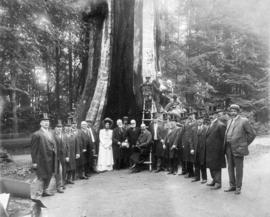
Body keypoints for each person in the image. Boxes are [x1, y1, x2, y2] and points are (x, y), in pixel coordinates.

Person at [224, 104, 256, 195]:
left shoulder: (244, 121)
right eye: (231, 111)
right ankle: (232, 185)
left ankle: (238, 187)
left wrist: (244, 145)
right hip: (228, 148)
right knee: (230, 168)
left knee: (238, 169)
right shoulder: (229, 121)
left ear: (238, 112)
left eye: (234, 111)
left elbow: (252, 134)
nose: (232, 112)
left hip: (239, 148)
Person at [31, 113, 56, 198]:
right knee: (41, 177)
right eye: (44, 121)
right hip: (41, 159)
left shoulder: (51, 133)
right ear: (40, 123)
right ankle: (38, 194)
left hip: (50, 158)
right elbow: (33, 150)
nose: (46, 123)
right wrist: (34, 162)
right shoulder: (36, 134)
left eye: (47, 121)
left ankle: (45, 191)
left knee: (49, 175)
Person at [205, 112, 226, 190]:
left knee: (216, 166)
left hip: (217, 151)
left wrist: (222, 151)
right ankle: (214, 180)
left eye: (212, 114)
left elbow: (224, 139)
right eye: (210, 115)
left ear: (216, 115)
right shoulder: (210, 124)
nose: (211, 116)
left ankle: (218, 183)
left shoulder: (220, 125)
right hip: (209, 150)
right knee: (211, 165)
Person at [191, 117, 208, 184]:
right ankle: (197, 177)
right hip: (195, 150)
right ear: (196, 121)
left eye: (201, 119)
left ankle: (204, 178)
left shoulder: (206, 128)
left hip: (203, 150)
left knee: (203, 164)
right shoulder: (193, 129)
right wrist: (192, 148)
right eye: (198, 120)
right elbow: (191, 140)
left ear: (203, 120)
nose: (199, 121)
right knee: (196, 164)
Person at [53, 120, 67, 193]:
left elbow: (66, 146)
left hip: (63, 156)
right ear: (55, 128)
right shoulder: (53, 135)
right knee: (58, 171)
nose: (59, 129)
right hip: (56, 156)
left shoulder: (64, 135)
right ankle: (59, 187)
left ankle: (63, 183)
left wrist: (66, 155)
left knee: (64, 170)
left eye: (60, 127)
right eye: (58, 127)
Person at [64, 119, 80, 184]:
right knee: (65, 167)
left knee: (72, 166)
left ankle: (69, 179)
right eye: (67, 127)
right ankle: (63, 180)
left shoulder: (73, 135)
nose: (68, 128)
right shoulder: (62, 135)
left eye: (69, 127)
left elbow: (77, 144)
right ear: (64, 128)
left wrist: (78, 153)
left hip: (72, 153)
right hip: (65, 154)